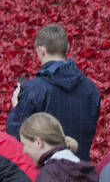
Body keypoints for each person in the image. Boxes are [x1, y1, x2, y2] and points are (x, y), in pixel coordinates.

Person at [6, 24, 101, 162]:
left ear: (41, 50)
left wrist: (16, 106)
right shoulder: (91, 89)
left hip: (45, 174)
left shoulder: (34, 89)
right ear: (67, 48)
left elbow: (17, 134)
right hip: (81, 173)